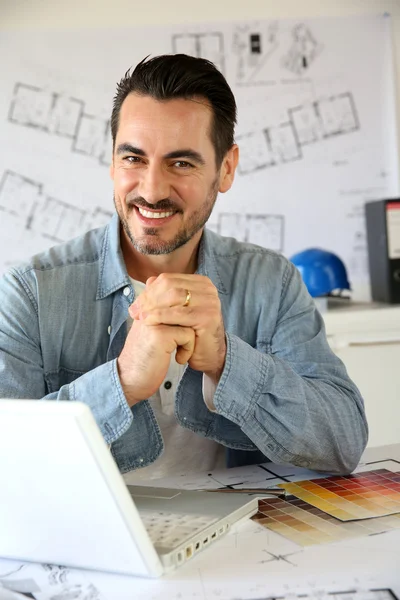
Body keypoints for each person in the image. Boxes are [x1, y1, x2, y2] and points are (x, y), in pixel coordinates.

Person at [0, 54, 368, 478]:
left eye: (181, 163)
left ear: (225, 168)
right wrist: (121, 382)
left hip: (244, 538)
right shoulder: (30, 292)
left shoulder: (272, 283)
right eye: (133, 159)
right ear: (112, 161)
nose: (152, 190)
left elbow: (345, 442)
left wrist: (228, 361)